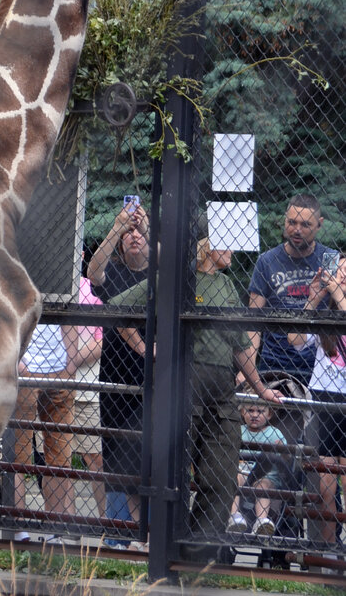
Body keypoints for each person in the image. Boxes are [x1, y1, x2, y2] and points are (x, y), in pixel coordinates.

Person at [113, 221, 282, 556]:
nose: (233, 251)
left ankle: (198, 552)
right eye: (228, 243)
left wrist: (260, 388)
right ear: (208, 245)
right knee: (171, 472)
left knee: (222, 477)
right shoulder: (176, 279)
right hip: (182, 384)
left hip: (221, 389)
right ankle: (169, 545)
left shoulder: (227, 286)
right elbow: (119, 309)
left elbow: (240, 347)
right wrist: (148, 349)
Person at [90, 202, 151, 541]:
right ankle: (117, 536)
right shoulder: (113, 271)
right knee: (115, 454)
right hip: (114, 374)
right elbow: (92, 273)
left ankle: (150, 534)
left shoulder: (159, 270)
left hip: (152, 373)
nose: (133, 238)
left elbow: (171, 263)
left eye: (137, 233)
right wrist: (117, 227)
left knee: (151, 455)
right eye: (127, 235)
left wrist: (146, 230)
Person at [249, 193, 338, 385]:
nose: (297, 230)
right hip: (274, 360)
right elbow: (253, 320)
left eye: (305, 224)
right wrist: (248, 367)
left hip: (320, 365)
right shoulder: (267, 261)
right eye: (292, 222)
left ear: (319, 224)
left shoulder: (329, 259)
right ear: (284, 220)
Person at [287, 254, 346, 544]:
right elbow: (294, 339)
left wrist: (337, 292)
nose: (341, 277)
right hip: (323, 402)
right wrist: (312, 299)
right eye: (340, 271)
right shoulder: (326, 312)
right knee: (325, 489)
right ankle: (329, 552)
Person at [12, 322, 77, 544]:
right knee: (18, 455)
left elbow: (71, 318)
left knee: (60, 456)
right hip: (26, 370)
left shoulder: (66, 285)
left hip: (59, 370)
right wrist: (19, 363)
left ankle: (53, 528)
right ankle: (18, 527)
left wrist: (71, 364)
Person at [228, 398, 297, 538]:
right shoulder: (238, 431)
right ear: (242, 412)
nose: (255, 415)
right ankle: (234, 517)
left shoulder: (274, 433)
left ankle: (261, 521)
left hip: (267, 476)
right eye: (250, 410)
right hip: (242, 472)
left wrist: (283, 451)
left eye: (260, 411)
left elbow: (285, 460)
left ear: (269, 414)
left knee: (262, 486)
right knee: (235, 478)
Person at [75, 275, 105, 520]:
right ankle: (64, 522)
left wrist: (70, 360)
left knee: (96, 459)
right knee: (53, 459)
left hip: (86, 390)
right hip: (51, 384)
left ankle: (108, 522)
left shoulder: (92, 289)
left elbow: (101, 341)